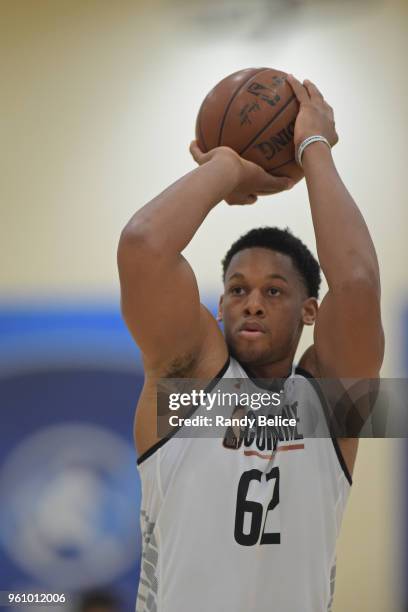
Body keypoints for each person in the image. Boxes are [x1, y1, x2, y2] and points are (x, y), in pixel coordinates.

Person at [117, 75, 383, 612]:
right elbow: (144, 245)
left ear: (311, 310)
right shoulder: (186, 384)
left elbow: (354, 282)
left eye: (274, 291)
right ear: (220, 306)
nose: (252, 303)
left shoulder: (329, 406)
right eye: (237, 290)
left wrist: (314, 149)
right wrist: (225, 169)